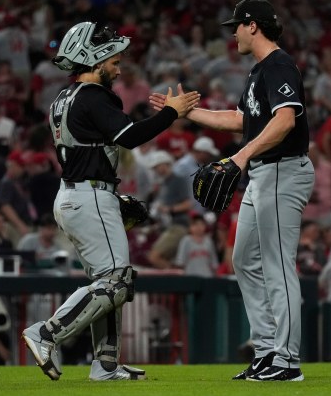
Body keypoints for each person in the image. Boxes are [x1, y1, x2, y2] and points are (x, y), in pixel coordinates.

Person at [21, 21, 199, 382]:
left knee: (107, 281)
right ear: (94, 58)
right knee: (117, 281)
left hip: (77, 194)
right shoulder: (93, 96)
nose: (118, 68)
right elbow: (130, 136)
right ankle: (47, 333)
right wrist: (172, 112)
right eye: (113, 60)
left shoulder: (63, 98)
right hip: (88, 195)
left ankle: (105, 365)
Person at [150, 0, 314, 382]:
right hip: (263, 173)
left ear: (253, 25)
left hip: (282, 171)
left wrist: (240, 158)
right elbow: (240, 119)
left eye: (237, 26)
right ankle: (266, 348)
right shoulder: (259, 71)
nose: (234, 33)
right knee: (243, 260)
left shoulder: (279, 65)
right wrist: (185, 113)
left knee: (276, 264)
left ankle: (287, 360)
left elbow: (286, 121)